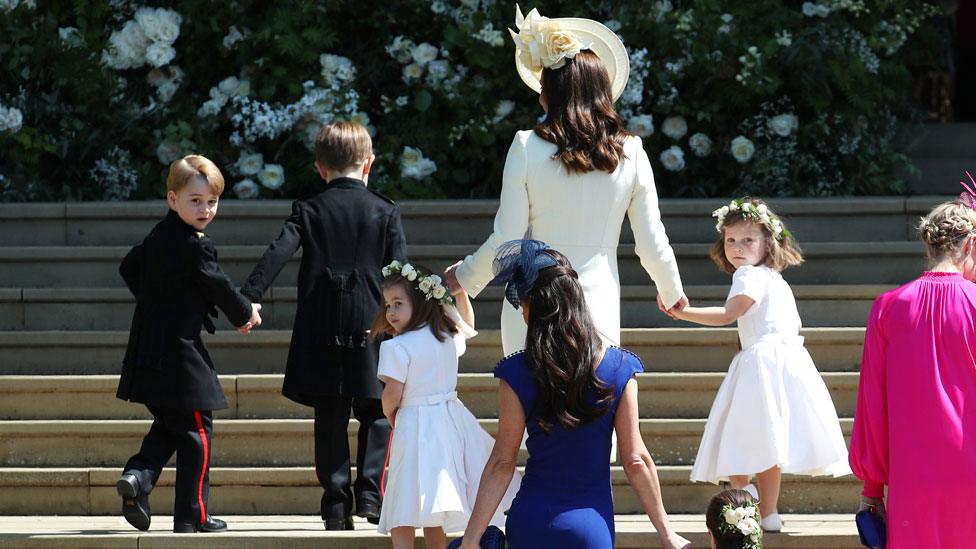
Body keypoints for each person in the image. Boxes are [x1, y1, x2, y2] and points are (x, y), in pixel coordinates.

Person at [444, 6, 686, 355]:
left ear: (553, 93)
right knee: (593, 404)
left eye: (544, 85)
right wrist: (671, 290)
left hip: (532, 303)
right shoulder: (631, 151)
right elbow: (651, 240)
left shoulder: (526, 145)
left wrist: (465, 275)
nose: (539, 94)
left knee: (528, 404)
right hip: (597, 302)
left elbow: (507, 239)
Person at [459, 240, 690, 549]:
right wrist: (667, 533)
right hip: (589, 528)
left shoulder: (516, 372)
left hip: (531, 521)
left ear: (532, 309)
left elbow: (502, 463)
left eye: (524, 306)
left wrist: (471, 539)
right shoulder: (621, 369)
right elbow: (635, 460)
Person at [240, 121, 407, 530]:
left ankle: (336, 505)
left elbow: (278, 250)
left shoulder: (309, 208)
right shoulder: (384, 210)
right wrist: (413, 316)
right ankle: (371, 492)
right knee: (377, 410)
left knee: (330, 414)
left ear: (320, 168)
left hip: (321, 324)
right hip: (374, 323)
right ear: (368, 164)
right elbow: (400, 271)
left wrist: (249, 296)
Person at [671, 198, 850, 532]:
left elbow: (728, 314)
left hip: (760, 365)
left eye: (747, 240)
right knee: (770, 439)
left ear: (768, 243)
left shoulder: (748, 276)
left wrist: (682, 312)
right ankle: (768, 513)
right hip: (787, 363)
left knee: (741, 432)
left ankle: (743, 499)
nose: (738, 248)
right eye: (731, 241)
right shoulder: (774, 278)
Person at [116, 155, 262, 533]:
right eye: (195, 200)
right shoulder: (196, 246)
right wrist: (246, 313)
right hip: (178, 354)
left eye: (211, 201)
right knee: (198, 430)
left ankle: (137, 477)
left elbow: (129, 267)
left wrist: (159, 301)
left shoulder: (159, 235)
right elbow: (219, 286)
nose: (204, 209)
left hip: (147, 350)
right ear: (172, 199)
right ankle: (192, 514)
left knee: (171, 423)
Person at [849, 188, 976, 547]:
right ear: (970, 245)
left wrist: (872, 487)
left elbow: (873, 403)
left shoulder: (888, 307)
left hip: (912, 476)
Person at [372, 261, 519, 549]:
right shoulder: (445, 336)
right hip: (447, 422)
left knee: (404, 495)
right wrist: (461, 293)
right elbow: (468, 324)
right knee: (433, 496)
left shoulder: (396, 347)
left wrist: (389, 411)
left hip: (414, 422)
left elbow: (393, 391)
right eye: (388, 305)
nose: (390, 312)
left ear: (420, 302)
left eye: (398, 303)